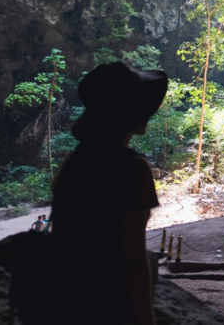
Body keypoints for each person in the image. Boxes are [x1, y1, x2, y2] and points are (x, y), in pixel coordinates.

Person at [48, 61, 167, 325]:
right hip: (110, 304)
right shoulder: (132, 168)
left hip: (67, 302)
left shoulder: (76, 161)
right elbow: (134, 261)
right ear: (130, 114)